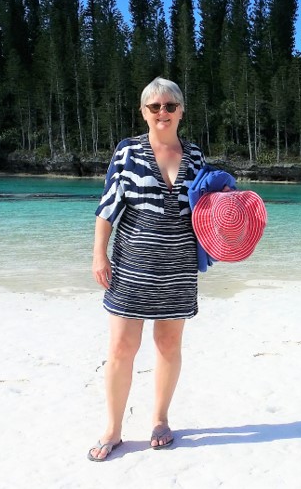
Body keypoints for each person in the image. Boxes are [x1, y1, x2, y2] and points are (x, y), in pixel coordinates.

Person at [87, 77, 206, 462]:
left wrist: (237, 230)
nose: (162, 113)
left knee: (168, 346)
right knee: (122, 348)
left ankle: (159, 419)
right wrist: (99, 255)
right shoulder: (127, 152)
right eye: (154, 107)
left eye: (170, 106)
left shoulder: (197, 157)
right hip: (131, 267)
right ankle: (114, 428)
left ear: (181, 111)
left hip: (178, 269)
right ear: (143, 112)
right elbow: (109, 207)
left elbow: (208, 213)